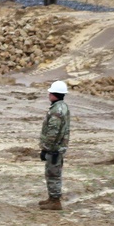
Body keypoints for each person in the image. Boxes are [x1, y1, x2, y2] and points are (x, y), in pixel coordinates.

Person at [39, 81, 71, 211]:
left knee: (53, 174)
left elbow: (53, 132)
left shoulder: (56, 110)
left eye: (50, 92)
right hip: (57, 148)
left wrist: (45, 148)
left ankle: (55, 201)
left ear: (54, 94)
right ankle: (52, 198)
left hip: (54, 149)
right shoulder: (62, 107)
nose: (48, 94)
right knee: (53, 173)